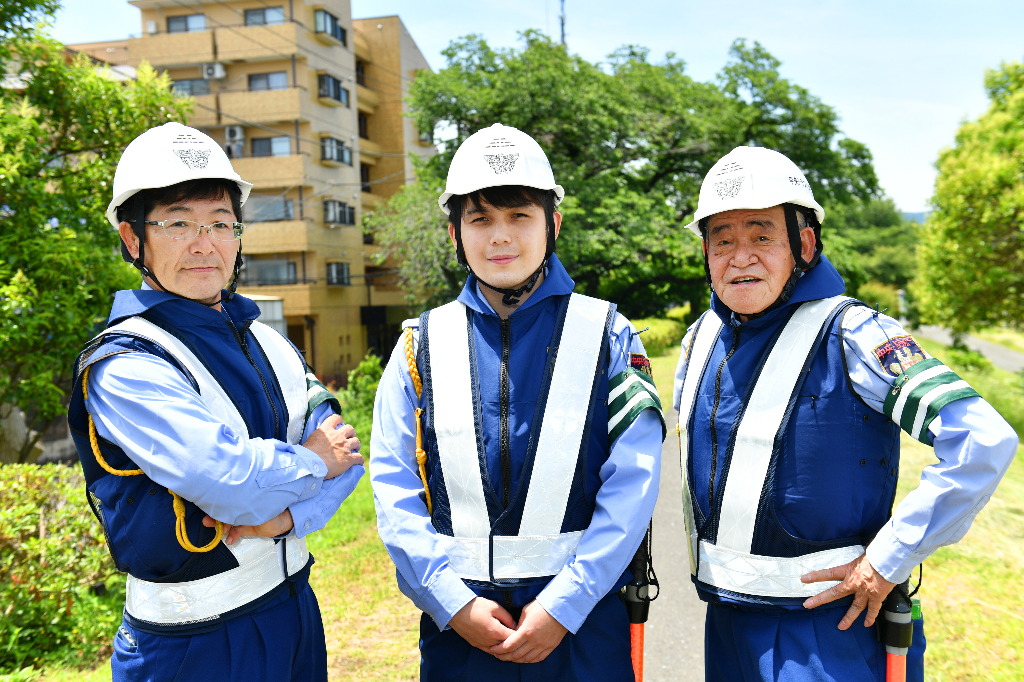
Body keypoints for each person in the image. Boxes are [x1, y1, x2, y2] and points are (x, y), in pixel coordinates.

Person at [672, 145, 1018, 681]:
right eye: (723, 240)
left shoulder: (856, 333)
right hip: (726, 623)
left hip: (829, 629)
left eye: (762, 236)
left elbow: (983, 441)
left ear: (804, 243)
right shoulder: (699, 338)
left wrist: (888, 559)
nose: (740, 257)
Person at [66, 122, 365, 682]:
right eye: (178, 223)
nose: (205, 243)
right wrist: (312, 463)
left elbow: (347, 456)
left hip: (295, 610)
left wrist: (286, 519)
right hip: (191, 643)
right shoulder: (127, 362)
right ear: (134, 240)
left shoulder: (268, 338)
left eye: (221, 224)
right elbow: (228, 482)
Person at [369, 123, 665, 681]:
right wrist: (451, 605)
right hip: (460, 633)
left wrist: (564, 607)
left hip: (581, 627)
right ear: (455, 233)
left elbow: (634, 483)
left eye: (519, 216)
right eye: (480, 219)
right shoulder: (417, 345)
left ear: (552, 224)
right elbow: (393, 487)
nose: (499, 236)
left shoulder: (610, 334)